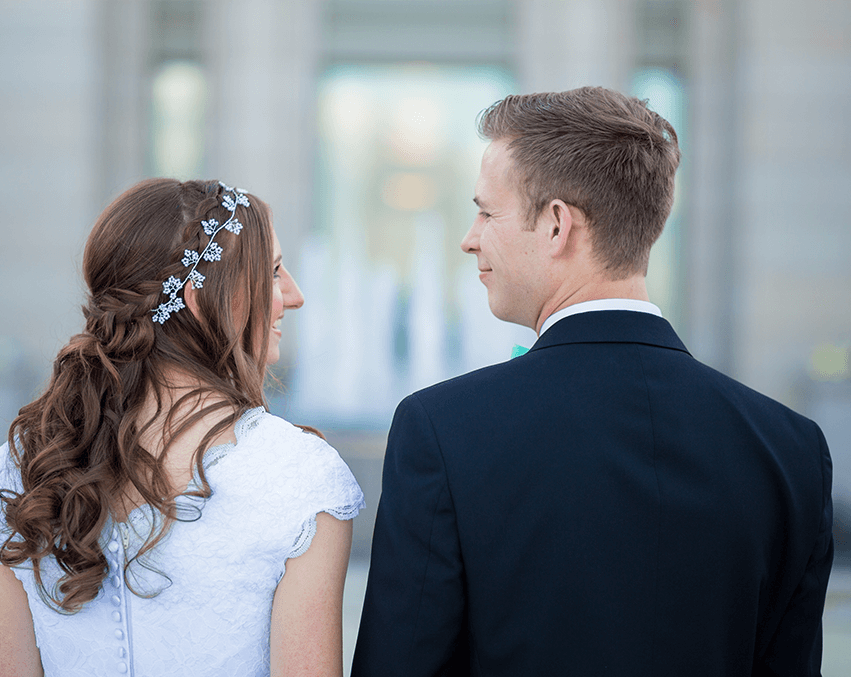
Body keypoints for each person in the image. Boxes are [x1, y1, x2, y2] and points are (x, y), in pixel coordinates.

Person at [352, 87, 833, 676]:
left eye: (485, 211)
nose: (469, 237)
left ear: (557, 225)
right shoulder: (790, 447)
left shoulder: (443, 430)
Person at [0, 178, 364, 677]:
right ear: (201, 297)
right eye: (276, 271)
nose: (295, 296)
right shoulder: (299, 478)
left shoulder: (18, 469)